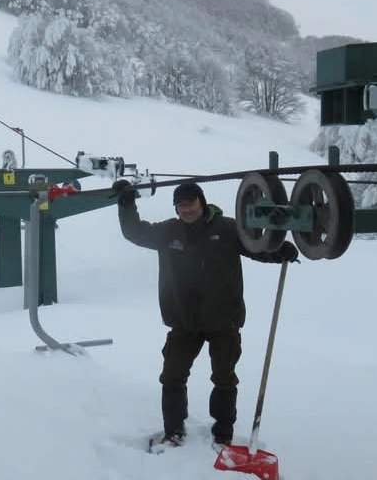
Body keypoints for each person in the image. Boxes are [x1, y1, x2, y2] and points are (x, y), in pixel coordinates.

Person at [111, 178, 298, 448]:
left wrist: (281, 251)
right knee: (173, 375)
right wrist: (126, 202)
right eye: (180, 205)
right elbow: (135, 232)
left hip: (224, 319)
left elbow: (256, 247)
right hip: (184, 320)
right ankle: (173, 430)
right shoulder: (169, 231)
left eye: (190, 204)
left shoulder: (228, 229)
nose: (185, 210)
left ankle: (223, 434)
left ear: (202, 202)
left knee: (224, 377)